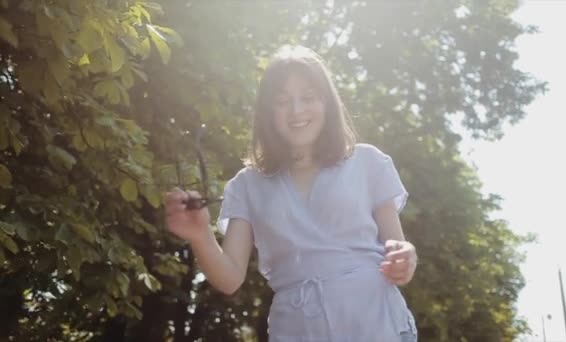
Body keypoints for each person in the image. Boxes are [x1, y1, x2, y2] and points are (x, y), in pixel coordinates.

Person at [164, 45, 418, 342]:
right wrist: (200, 236)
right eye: (282, 101)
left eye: (308, 97)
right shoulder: (247, 186)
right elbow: (230, 278)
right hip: (297, 331)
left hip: (374, 324)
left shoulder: (368, 162)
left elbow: (397, 250)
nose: (297, 110)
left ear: (327, 103)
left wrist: (407, 257)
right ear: (267, 112)